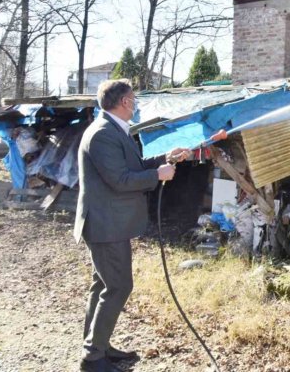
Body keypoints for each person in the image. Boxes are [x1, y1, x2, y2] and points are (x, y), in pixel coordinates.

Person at [74, 79, 190, 372]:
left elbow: (131, 166)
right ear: (124, 102)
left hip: (109, 223)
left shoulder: (111, 130)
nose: (136, 104)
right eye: (134, 99)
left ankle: (98, 345)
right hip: (105, 224)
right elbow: (120, 180)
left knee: (102, 285)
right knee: (118, 286)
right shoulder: (102, 134)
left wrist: (167, 159)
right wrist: (158, 175)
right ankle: (92, 358)